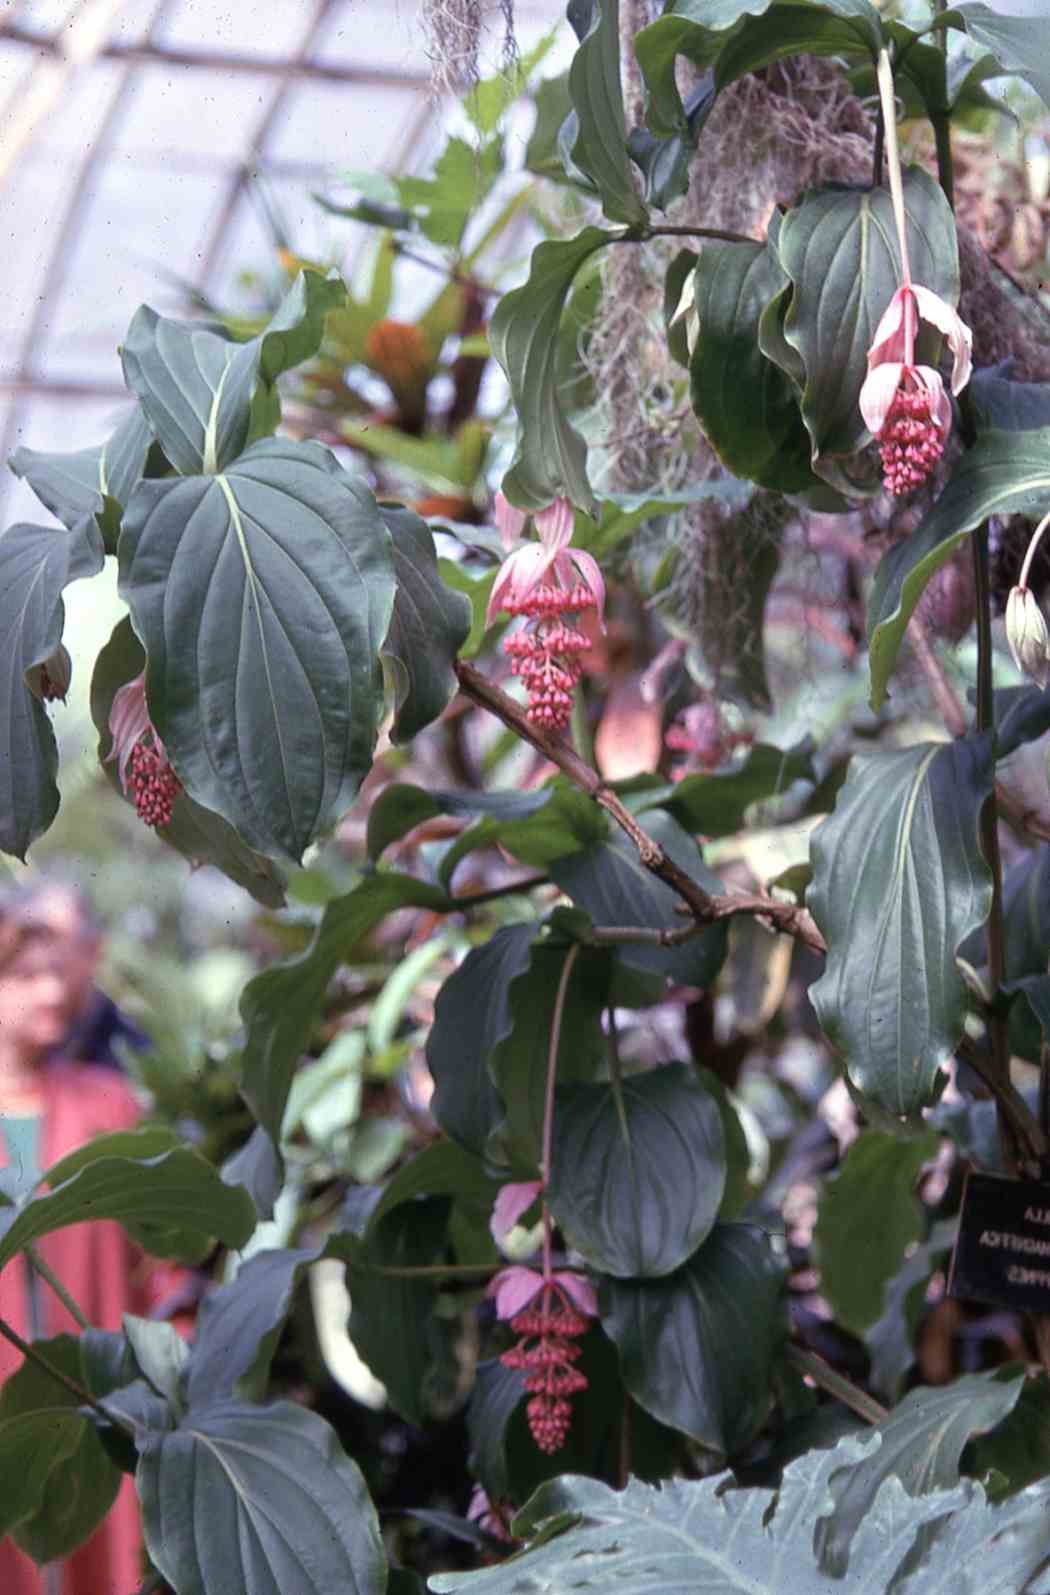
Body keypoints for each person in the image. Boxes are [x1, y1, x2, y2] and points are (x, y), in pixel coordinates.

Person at [0, 894, 153, 1595]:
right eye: (26, 974)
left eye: (58, 972)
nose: (53, 990)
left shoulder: (107, 1105)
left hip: (91, 1401)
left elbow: (156, 1261)